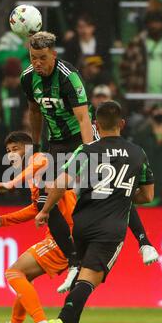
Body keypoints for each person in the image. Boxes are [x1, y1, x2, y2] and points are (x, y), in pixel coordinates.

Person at [35, 101, 155, 323]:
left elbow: (61, 183)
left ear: (96, 125)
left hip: (82, 224)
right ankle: (61, 320)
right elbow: (147, 195)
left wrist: (45, 211)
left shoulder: (87, 149)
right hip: (110, 227)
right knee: (91, 279)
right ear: (122, 124)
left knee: (85, 276)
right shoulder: (138, 153)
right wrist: (122, 194)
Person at [0, 131, 75, 323]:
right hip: (59, 236)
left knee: (13, 273)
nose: (12, 155)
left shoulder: (40, 159)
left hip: (67, 236)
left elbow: (42, 159)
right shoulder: (35, 176)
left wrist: (12, 182)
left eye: (16, 149)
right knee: (24, 276)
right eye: (8, 151)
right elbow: (36, 209)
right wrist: (3, 220)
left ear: (29, 148)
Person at [21, 31, 94, 290]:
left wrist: (89, 152)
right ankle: (74, 262)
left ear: (53, 54)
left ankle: (142, 242)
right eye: (33, 57)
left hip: (80, 140)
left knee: (90, 196)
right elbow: (34, 111)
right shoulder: (28, 78)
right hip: (55, 143)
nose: (37, 63)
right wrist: (37, 147)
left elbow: (84, 119)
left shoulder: (68, 78)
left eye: (42, 58)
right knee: (45, 205)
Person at [120, 10, 162, 94]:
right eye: (151, 22)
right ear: (146, 24)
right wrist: (130, 87)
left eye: (158, 22)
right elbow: (124, 68)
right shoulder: (135, 43)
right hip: (140, 95)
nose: (154, 26)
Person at [0, 58, 27, 133]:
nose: (17, 80)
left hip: (20, 135)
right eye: (14, 77)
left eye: (18, 77)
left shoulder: (24, 91)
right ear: (7, 76)